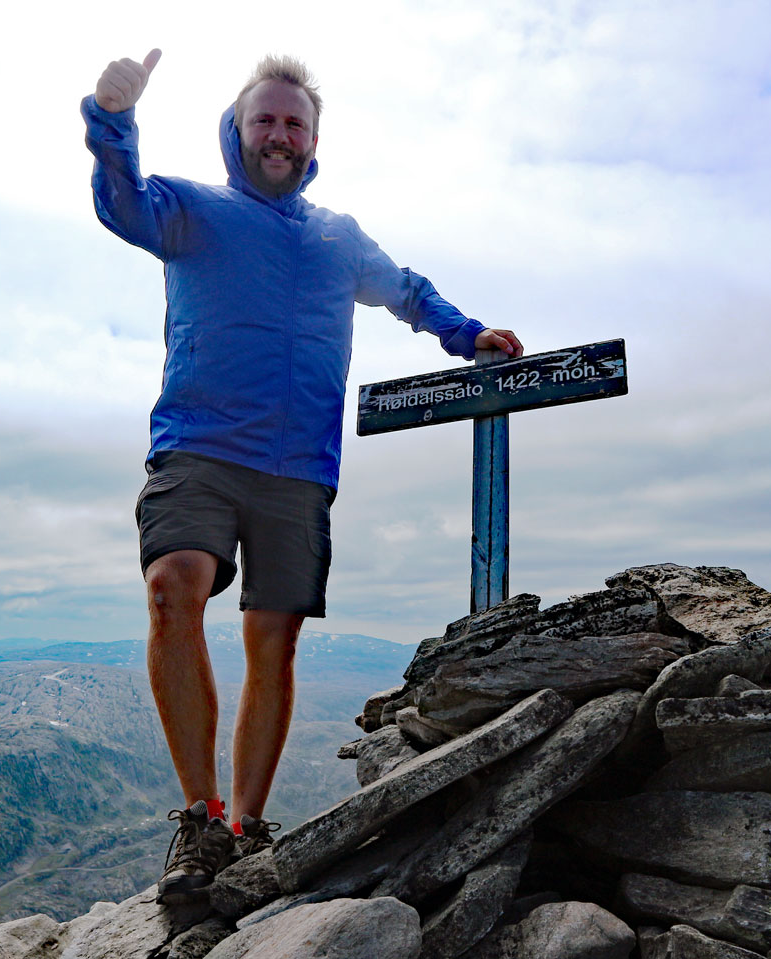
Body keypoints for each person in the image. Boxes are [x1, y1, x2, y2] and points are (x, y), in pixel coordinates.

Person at [83, 49, 522, 902]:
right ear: (237, 132)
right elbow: (121, 204)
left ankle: (245, 829)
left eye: (293, 122)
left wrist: (467, 335)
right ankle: (199, 819)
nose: (278, 134)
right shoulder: (194, 209)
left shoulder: (339, 238)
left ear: (312, 140)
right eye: (264, 120)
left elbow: (408, 290)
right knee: (174, 588)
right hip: (198, 447)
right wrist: (111, 120)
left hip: (298, 469)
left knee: (272, 638)